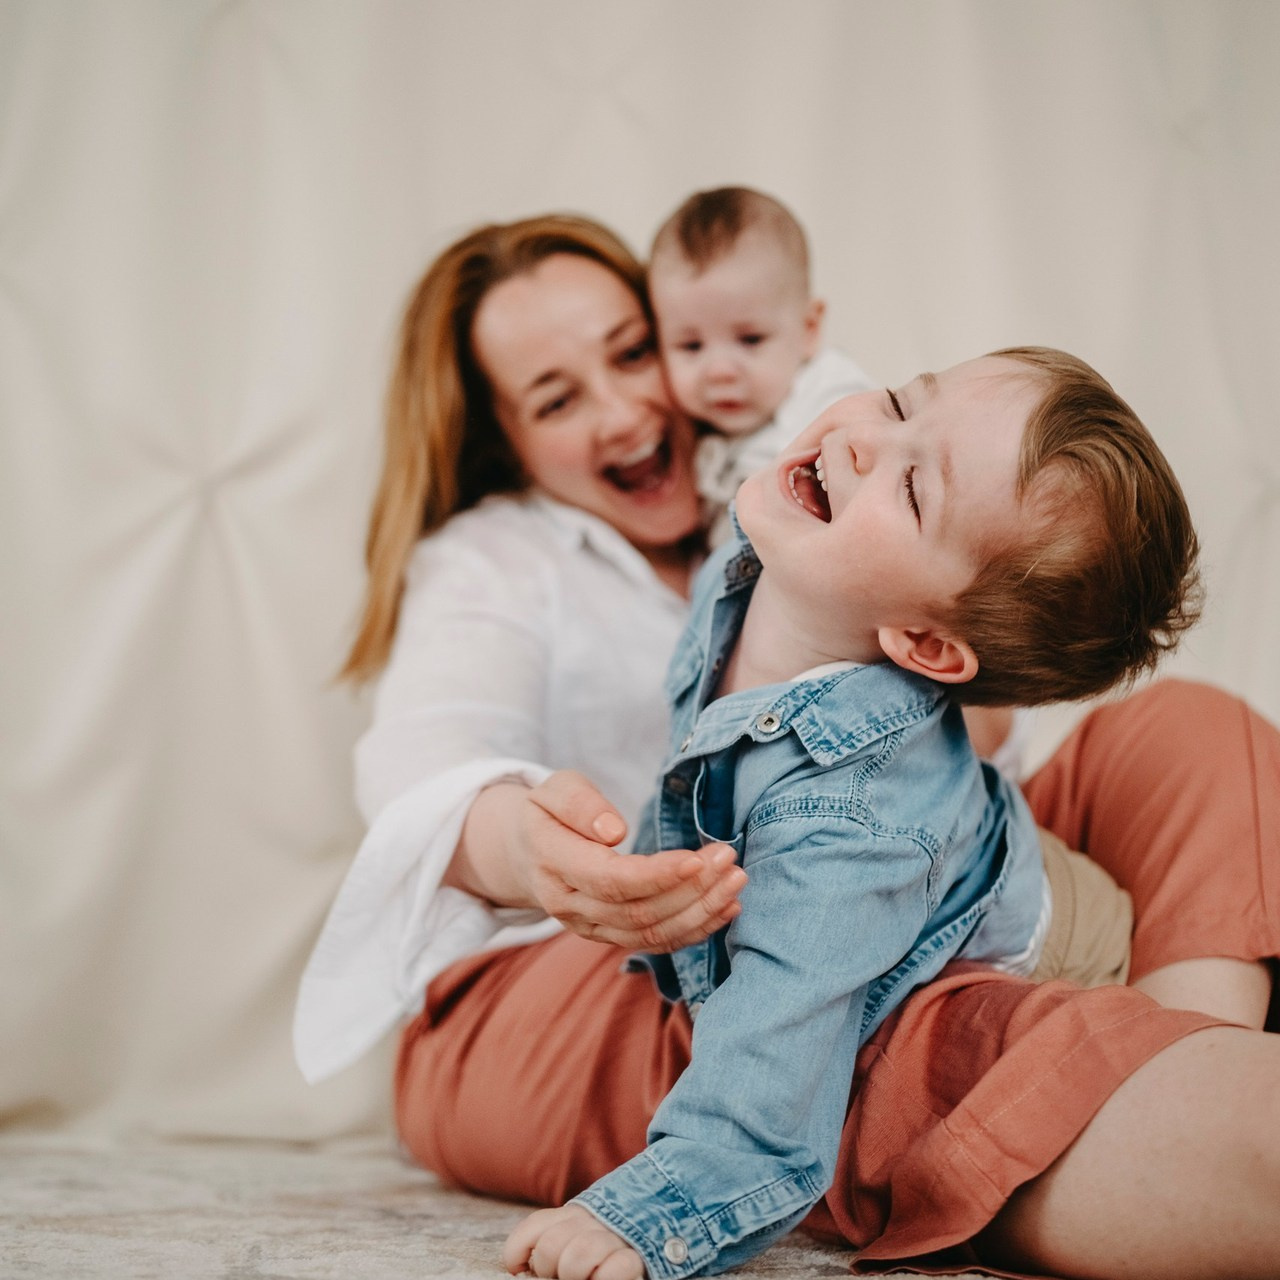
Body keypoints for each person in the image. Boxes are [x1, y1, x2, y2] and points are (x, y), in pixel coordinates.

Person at [294, 212, 1280, 1280]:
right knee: (821, 1007)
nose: (627, 405)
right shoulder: (496, 558)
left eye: (636, 351)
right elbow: (427, 758)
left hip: (923, 868)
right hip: (599, 974)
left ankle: (1193, 1044)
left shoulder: (780, 482)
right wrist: (530, 852)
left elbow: (966, 710)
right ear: (507, 437)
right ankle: (1161, 1118)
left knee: (1190, 725)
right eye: (556, 397)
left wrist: (929, 642)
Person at [505, 346, 1199, 1280]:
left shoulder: (849, 829)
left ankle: (1200, 1059)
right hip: (978, 849)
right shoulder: (753, 569)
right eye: (905, 401)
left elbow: (779, 1054)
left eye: (916, 492)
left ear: (921, 639)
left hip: (1073, 942)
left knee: (930, 1058)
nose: (866, 436)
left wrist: (658, 1215)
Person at [648, 186, 875, 545]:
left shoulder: (829, 394)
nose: (720, 371)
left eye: (750, 339)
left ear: (808, 329)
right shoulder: (695, 435)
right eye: (691, 345)